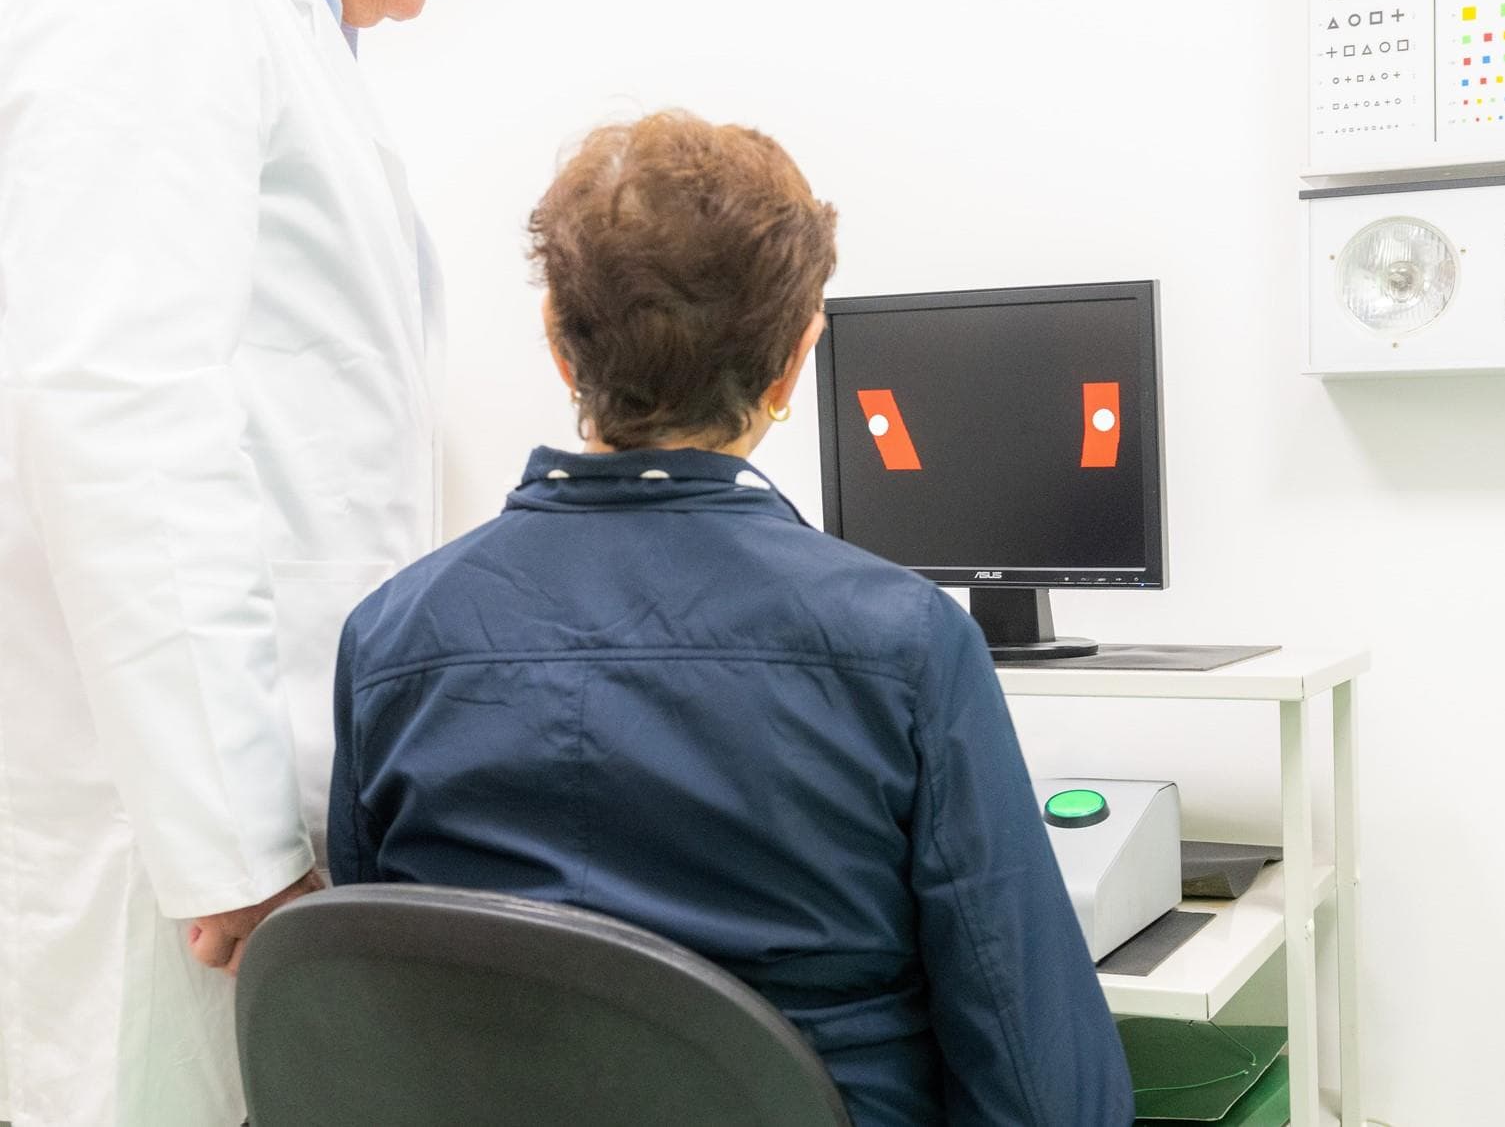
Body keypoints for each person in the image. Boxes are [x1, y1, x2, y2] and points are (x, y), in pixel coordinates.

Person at [328, 112, 1136, 1125]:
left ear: (558, 342)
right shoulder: (905, 644)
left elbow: (364, 1013)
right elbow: (1041, 1080)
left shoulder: (388, 640)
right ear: (797, 359)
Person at [0, 0, 546, 1123]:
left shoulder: (269, 12)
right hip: (174, 842)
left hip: (255, 791)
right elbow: (115, 398)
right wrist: (233, 838)